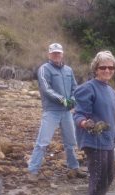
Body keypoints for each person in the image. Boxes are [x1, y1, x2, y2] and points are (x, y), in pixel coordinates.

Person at [73, 51, 115, 195]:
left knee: (108, 177)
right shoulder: (88, 88)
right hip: (93, 140)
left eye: (110, 67)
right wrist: (84, 123)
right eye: (103, 67)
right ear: (96, 68)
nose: (107, 70)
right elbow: (78, 114)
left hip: (108, 140)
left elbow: (112, 119)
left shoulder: (111, 92)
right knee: (97, 180)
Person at [28, 43, 86, 181]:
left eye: (58, 53)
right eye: (54, 53)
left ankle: (74, 167)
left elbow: (75, 87)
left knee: (71, 142)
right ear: (49, 55)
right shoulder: (44, 69)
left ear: (62, 54)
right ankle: (32, 170)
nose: (56, 55)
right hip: (51, 111)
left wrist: (72, 99)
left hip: (66, 112)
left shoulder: (68, 70)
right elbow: (46, 88)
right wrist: (62, 99)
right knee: (43, 141)